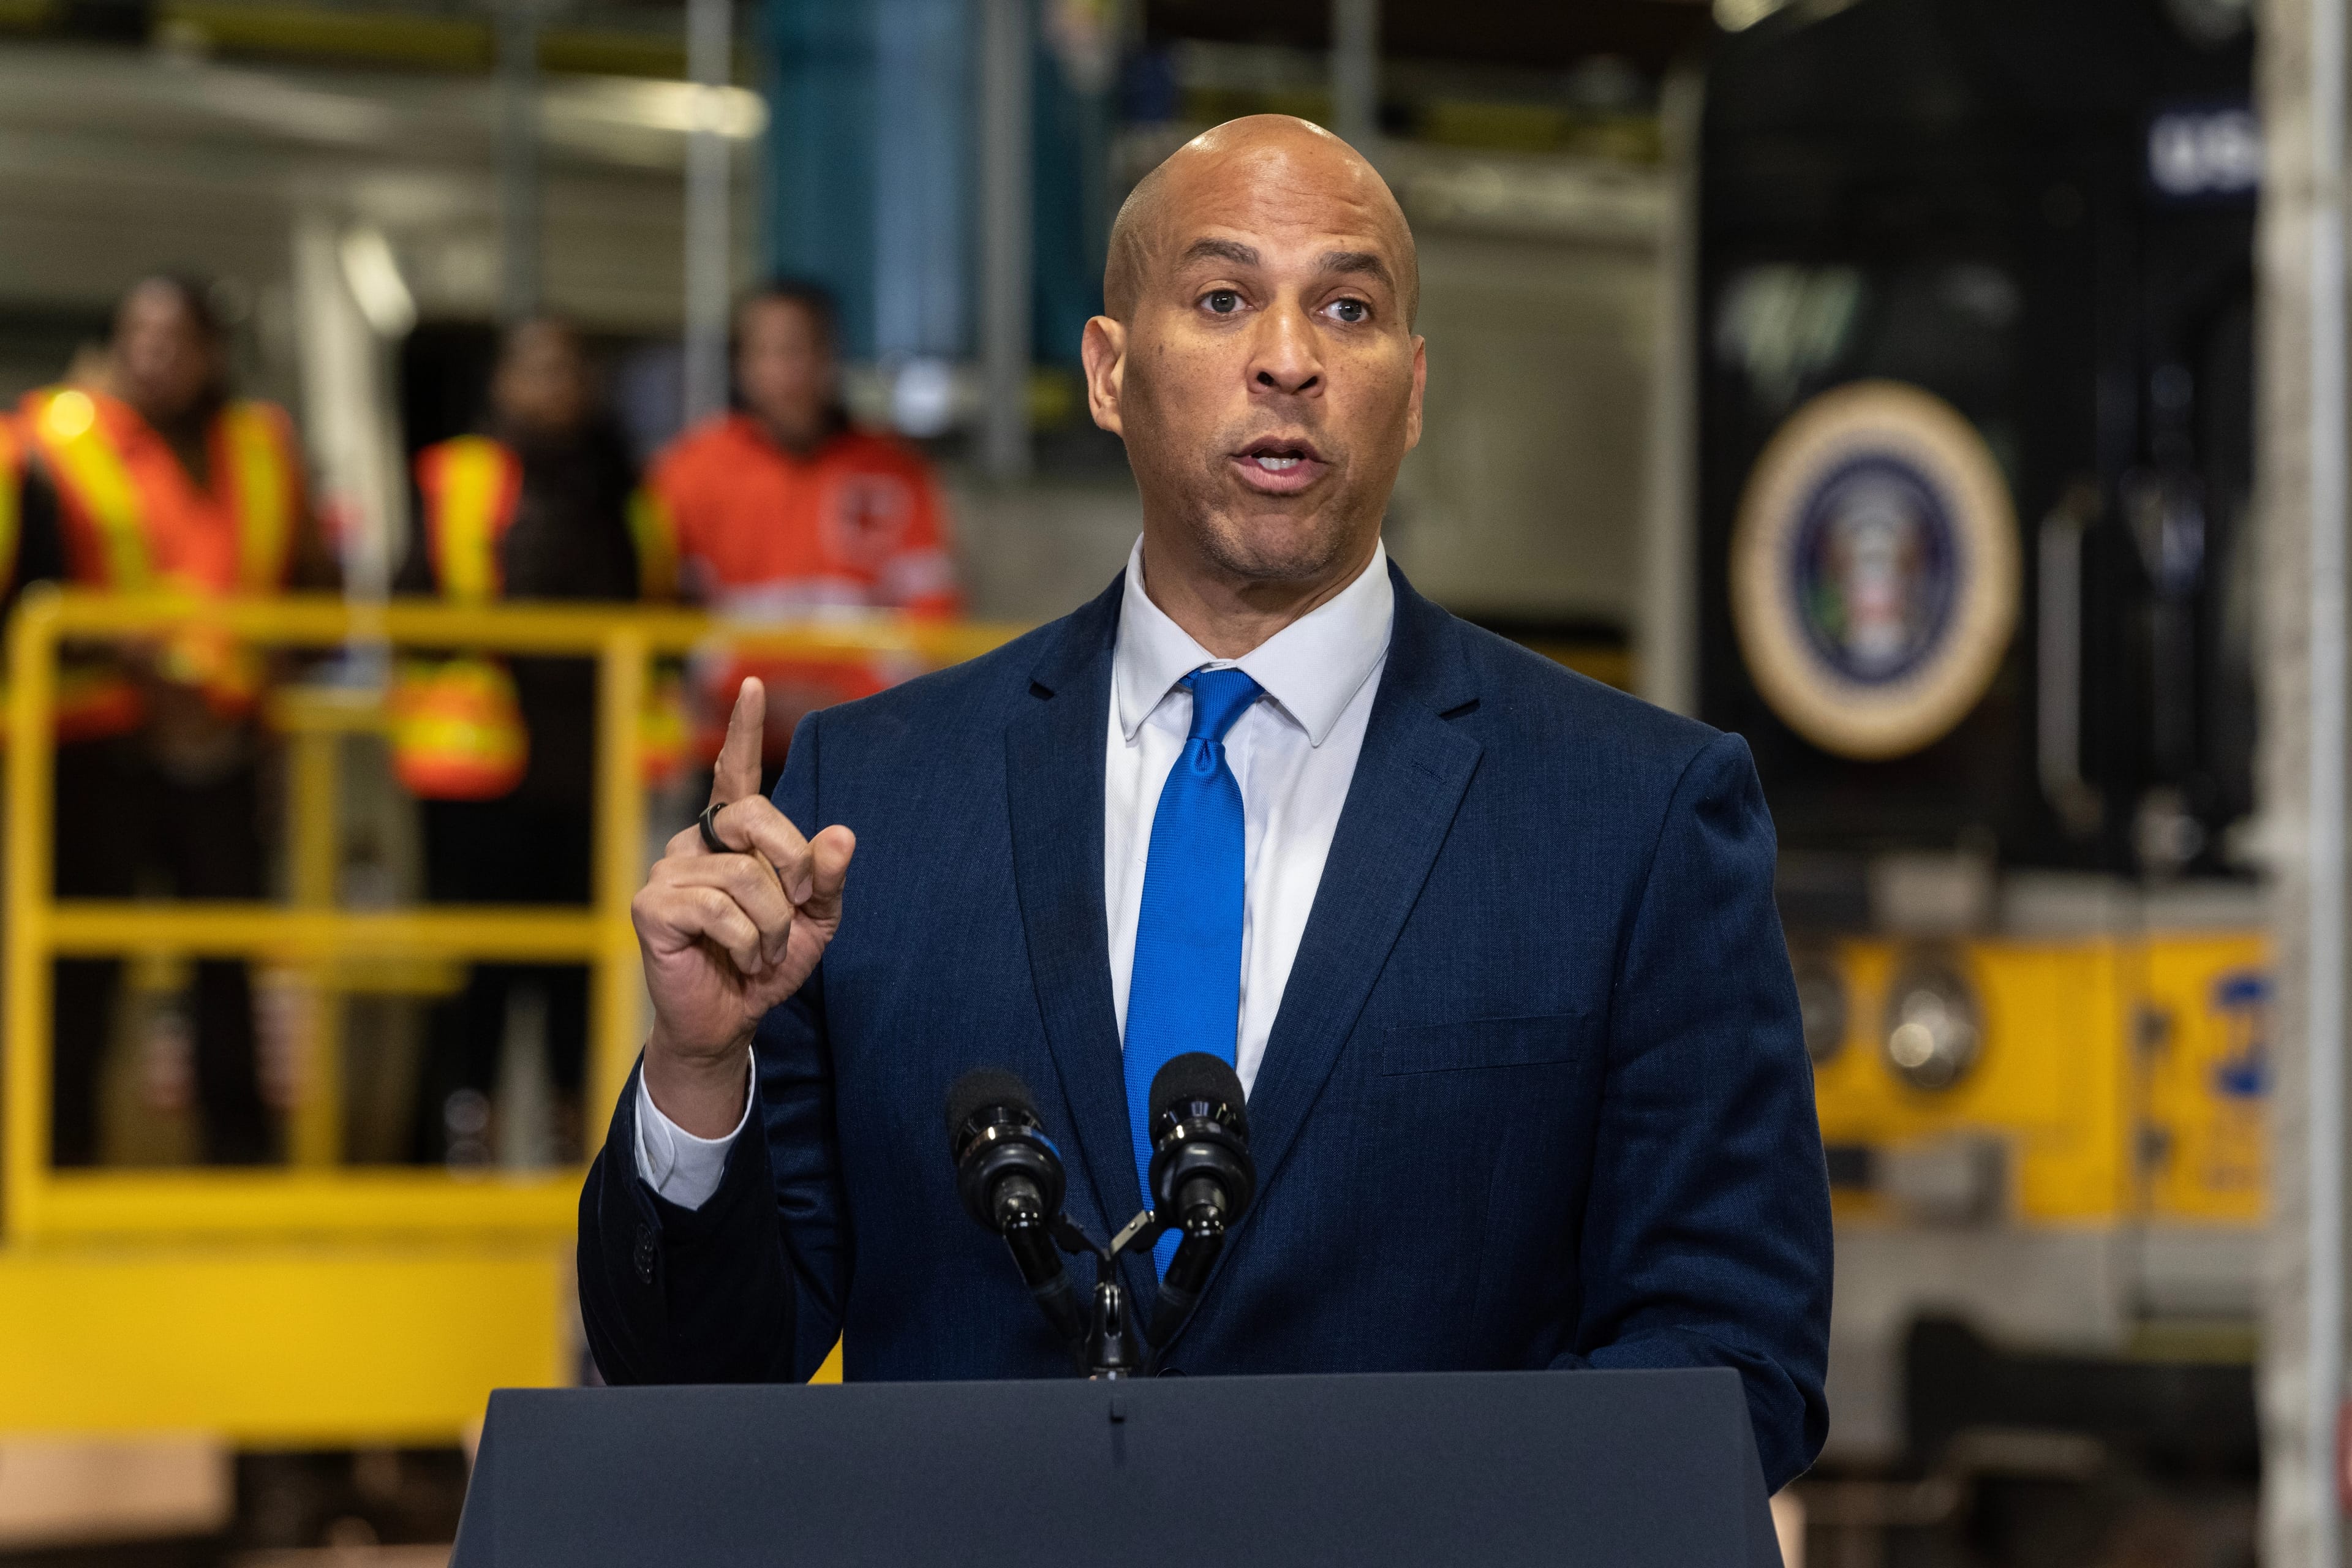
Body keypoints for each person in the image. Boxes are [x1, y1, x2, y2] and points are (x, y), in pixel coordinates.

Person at [582, 118, 1832, 1488]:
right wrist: (697, 1074)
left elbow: (1735, 1360)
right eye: (1225, 298)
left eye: (1347, 309)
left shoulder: (1633, 816)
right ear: (1110, 372)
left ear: (1413, 391)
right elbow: (697, 1379)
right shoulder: (868, 801)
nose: (1289, 358)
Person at [20, 277, 330, 1166]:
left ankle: (242, 1163)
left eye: (174, 337)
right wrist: (119, 655)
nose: (153, 353)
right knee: (80, 969)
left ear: (212, 352)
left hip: (227, 744)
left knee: (228, 965)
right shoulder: (57, 438)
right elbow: (30, 587)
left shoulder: (263, 447)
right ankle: (56, 1161)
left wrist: (279, 661)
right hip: (99, 741)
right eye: (138, 334)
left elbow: (313, 588)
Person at [398, 317, 650, 1164]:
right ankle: (461, 1145)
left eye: (568, 370)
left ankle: (574, 1147)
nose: (552, 388)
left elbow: (657, 611)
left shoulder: (627, 492)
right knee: (475, 971)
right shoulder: (453, 477)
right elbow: (408, 612)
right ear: (500, 384)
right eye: (534, 370)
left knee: (580, 975)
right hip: (478, 773)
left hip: (586, 768)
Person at [641, 282, 960, 771]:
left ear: (831, 357)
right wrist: (749, 697)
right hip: (728, 747)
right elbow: (662, 613)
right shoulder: (686, 474)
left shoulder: (897, 472)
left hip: (865, 741)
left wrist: (847, 698)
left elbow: (932, 612)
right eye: (766, 351)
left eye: (800, 349)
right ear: (741, 365)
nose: (786, 370)